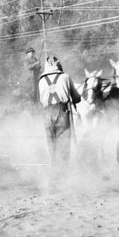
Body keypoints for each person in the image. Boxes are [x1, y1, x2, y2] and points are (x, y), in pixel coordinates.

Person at [38, 56, 81, 191]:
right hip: (62, 112)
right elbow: (76, 97)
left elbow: (41, 99)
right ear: (58, 65)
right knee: (63, 149)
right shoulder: (65, 77)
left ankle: (53, 181)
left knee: (52, 149)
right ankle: (60, 182)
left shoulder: (41, 80)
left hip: (47, 114)